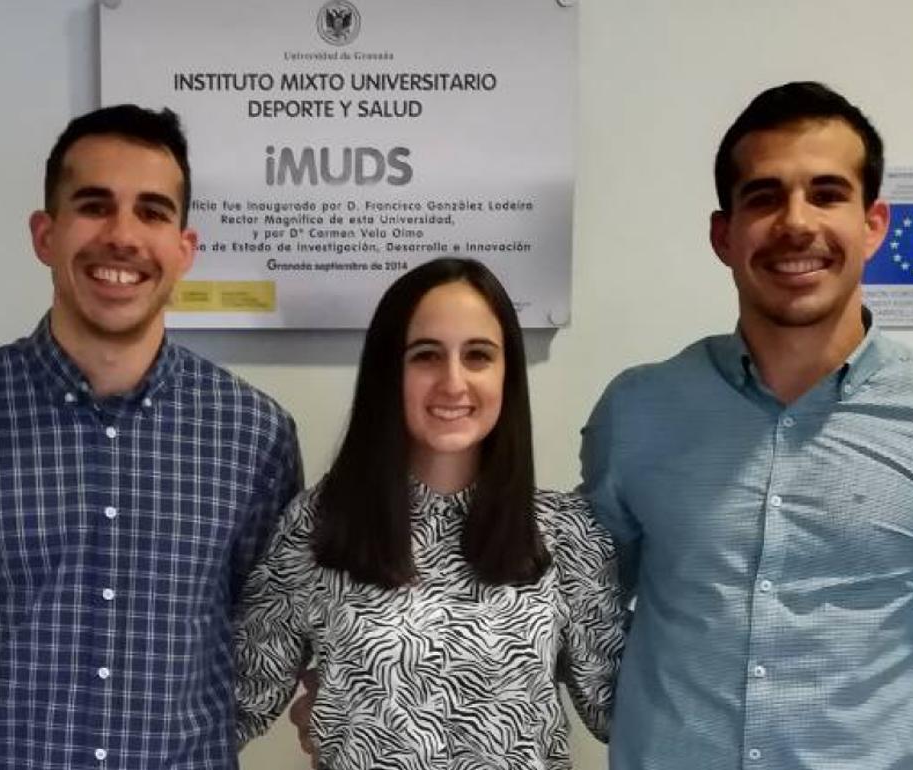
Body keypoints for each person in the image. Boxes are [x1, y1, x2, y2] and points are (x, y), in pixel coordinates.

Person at [581, 81, 913, 770]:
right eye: (764, 197)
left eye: (827, 194)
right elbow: (593, 608)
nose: (796, 223)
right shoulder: (636, 412)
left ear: (873, 225)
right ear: (724, 235)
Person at [0, 104, 303, 769]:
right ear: (45, 234)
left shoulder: (256, 437)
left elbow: (266, 646)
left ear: (184, 249)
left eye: (152, 212)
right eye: (94, 206)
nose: (122, 236)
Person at [233, 257, 626, 768]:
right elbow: (238, 701)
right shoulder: (318, 525)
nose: (453, 382)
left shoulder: (567, 534)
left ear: (507, 374)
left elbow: (620, 711)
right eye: (426, 356)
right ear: (388, 371)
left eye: (478, 356)